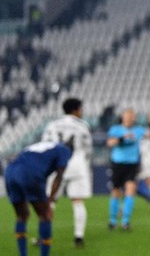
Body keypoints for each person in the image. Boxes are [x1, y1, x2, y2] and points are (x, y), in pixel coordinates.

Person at [5, 139, 73, 256]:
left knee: (22, 216)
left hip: (10, 171)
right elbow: (59, 176)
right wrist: (50, 201)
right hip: (29, 174)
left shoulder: (43, 145)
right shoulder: (64, 150)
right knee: (46, 215)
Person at [41, 97, 92, 247]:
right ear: (75, 110)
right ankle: (79, 237)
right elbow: (88, 148)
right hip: (77, 165)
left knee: (50, 201)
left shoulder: (52, 125)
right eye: (80, 109)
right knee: (77, 201)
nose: (82, 112)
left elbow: (46, 144)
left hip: (57, 166)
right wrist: (83, 161)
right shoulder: (82, 125)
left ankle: (44, 236)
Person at [106, 108, 146, 230]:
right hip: (117, 164)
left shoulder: (138, 130)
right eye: (127, 116)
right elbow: (110, 143)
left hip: (132, 164)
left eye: (132, 116)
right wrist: (122, 138)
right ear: (123, 117)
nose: (129, 118)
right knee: (116, 192)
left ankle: (125, 221)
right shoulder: (116, 129)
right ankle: (112, 220)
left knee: (130, 189)